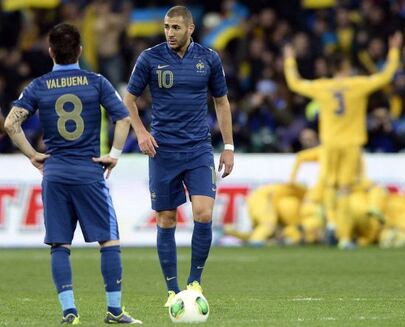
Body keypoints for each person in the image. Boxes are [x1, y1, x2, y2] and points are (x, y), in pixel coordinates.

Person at [4, 23, 141, 325]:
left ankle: (69, 311)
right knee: (109, 241)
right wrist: (114, 155)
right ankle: (115, 311)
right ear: (80, 50)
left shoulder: (38, 86)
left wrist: (32, 155)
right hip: (89, 171)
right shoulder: (97, 82)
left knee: (59, 245)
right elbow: (123, 119)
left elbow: (11, 124)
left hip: (54, 173)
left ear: (50, 51)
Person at [123, 6, 234, 307]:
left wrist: (228, 146)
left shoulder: (209, 59)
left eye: (175, 27)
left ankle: (194, 282)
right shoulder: (150, 58)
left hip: (198, 149)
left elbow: (221, 103)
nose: (169, 33)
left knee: (204, 214)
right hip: (164, 151)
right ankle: (172, 291)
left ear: (190, 29)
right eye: (166, 27)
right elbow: (129, 99)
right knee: (167, 218)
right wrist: (142, 133)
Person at [284, 32, 401, 249]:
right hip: (351, 144)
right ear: (346, 67)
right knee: (346, 189)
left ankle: (331, 223)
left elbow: (294, 83)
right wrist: (394, 50)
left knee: (329, 185)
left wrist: (290, 59)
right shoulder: (358, 84)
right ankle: (344, 237)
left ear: (331, 68)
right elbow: (385, 76)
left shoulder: (323, 86)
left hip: (329, 144)